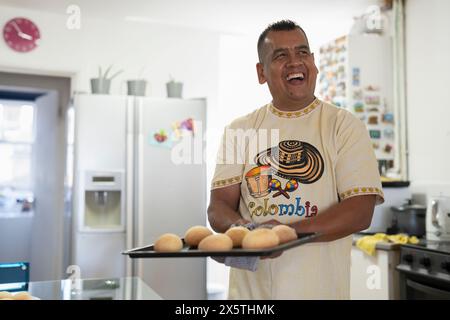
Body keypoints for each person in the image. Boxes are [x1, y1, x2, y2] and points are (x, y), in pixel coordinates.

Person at [207, 20, 384, 299]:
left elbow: (360, 211)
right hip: (251, 297)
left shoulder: (344, 125)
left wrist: (285, 233)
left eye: (302, 53)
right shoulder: (238, 130)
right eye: (280, 56)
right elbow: (218, 207)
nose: (294, 62)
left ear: (313, 63)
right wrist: (241, 229)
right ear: (261, 72)